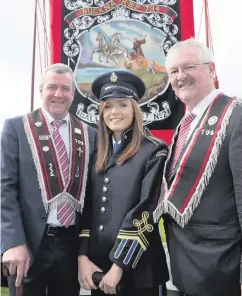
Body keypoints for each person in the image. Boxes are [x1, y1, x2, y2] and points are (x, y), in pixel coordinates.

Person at [153, 38, 242, 296]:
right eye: (173, 71)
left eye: (189, 67)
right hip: (180, 266)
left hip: (220, 266)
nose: (181, 77)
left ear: (211, 70)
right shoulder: (185, 122)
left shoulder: (235, 116)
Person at [1, 63, 97, 296]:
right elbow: (5, 188)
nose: (58, 94)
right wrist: (12, 242)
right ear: (41, 91)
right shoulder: (16, 128)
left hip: (70, 243)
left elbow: (92, 194)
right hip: (29, 244)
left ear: (73, 95)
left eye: (65, 89)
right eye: (52, 87)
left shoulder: (90, 134)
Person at [78, 71, 169, 296]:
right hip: (99, 270)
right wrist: (82, 257)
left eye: (122, 105)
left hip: (138, 270)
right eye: (107, 106)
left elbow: (145, 212)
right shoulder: (97, 153)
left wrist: (119, 266)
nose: (114, 112)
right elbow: (88, 209)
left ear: (135, 110)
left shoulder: (154, 150)